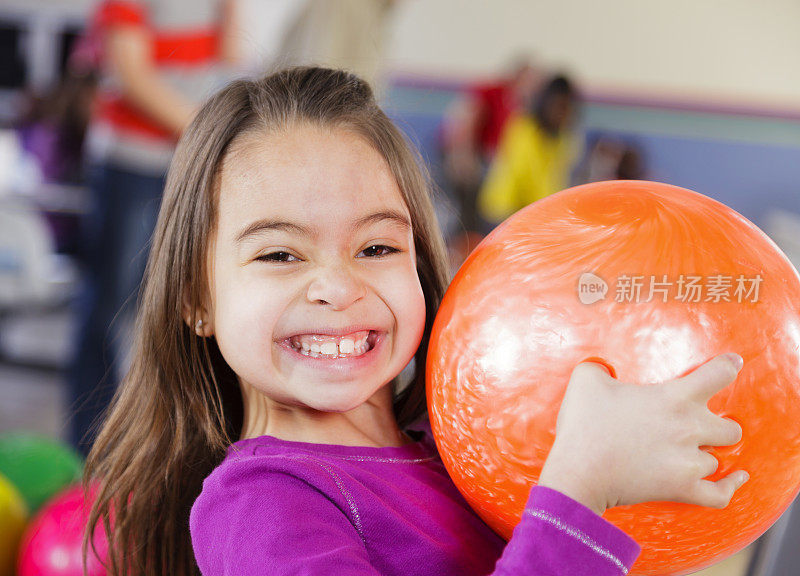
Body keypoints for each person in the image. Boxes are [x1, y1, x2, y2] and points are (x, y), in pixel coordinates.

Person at [84, 67, 749, 576]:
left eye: (376, 247)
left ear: (422, 265)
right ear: (195, 298)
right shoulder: (259, 508)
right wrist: (580, 493)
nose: (339, 288)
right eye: (280, 253)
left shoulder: (465, 444)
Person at [67, 0, 239, 455]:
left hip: (187, 162)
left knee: (176, 309)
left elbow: (232, 57)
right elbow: (130, 74)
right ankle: (90, 448)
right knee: (110, 309)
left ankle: (156, 445)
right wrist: (211, 132)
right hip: (130, 163)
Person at [477, 74, 580, 227]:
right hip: (504, 211)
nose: (561, 114)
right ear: (545, 103)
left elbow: (557, 178)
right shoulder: (525, 128)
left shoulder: (563, 138)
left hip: (534, 214)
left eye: (566, 108)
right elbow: (521, 175)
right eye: (558, 106)